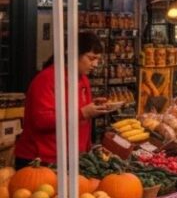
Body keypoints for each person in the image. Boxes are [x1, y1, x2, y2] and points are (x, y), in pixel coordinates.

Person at [16, 32, 111, 168]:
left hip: (71, 157)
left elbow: (80, 118)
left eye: (98, 59)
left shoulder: (83, 80)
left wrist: (94, 107)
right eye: (91, 58)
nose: (95, 64)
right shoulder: (47, 79)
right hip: (40, 160)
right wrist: (82, 113)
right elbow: (41, 121)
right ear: (73, 54)